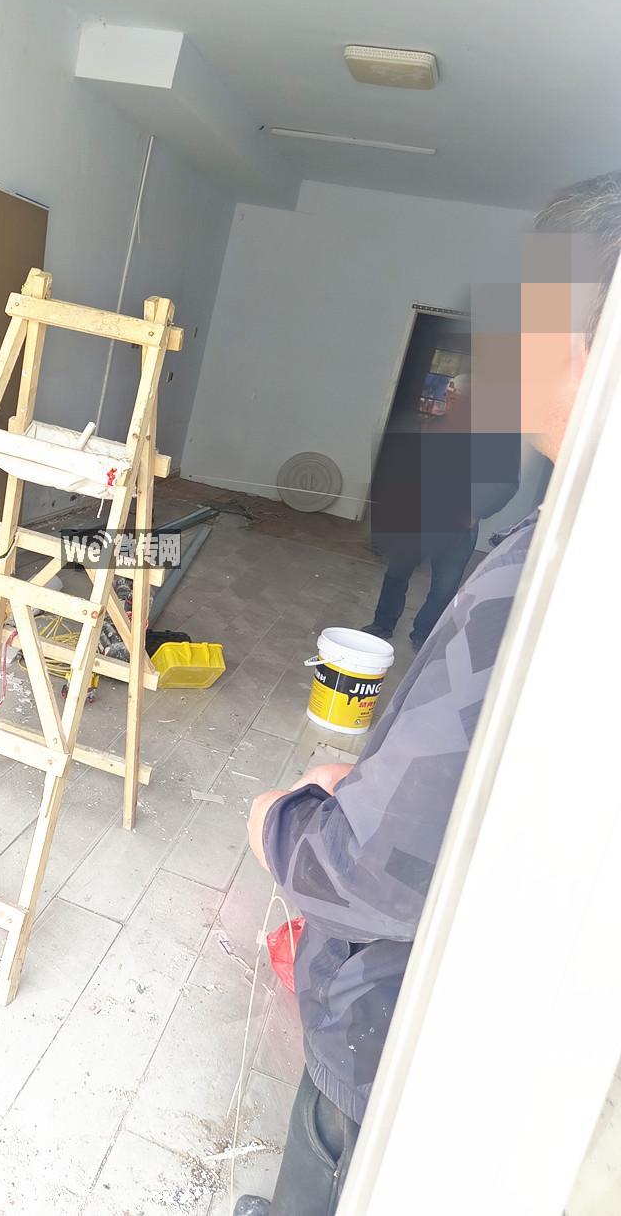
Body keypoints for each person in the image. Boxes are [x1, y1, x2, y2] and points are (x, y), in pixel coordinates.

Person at [233, 170, 621, 1216]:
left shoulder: (558, 577)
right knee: (406, 600)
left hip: (405, 1040)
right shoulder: (556, 532)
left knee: (330, 1172)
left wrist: (284, 819)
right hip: (501, 1038)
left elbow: (365, 869)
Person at [364, 373, 517, 650]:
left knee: (444, 587)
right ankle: (383, 623)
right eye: (450, 396)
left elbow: (506, 483)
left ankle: (423, 634)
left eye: (460, 399)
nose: (451, 402)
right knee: (397, 572)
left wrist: (475, 510)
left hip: (460, 527)